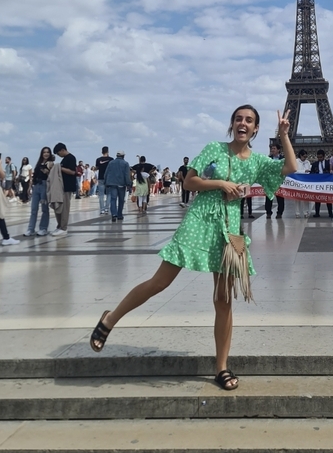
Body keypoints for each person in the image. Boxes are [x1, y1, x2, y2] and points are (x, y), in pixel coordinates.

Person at [89, 106, 297, 392]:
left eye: (249, 120)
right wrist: (221, 183)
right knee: (160, 282)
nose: (243, 123)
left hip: (228, 229)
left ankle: (221, 367)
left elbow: (291, 168)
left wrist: (284, 135)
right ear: (232, 125)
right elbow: (189, 181)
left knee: (223, 300)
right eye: (238, 119)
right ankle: (109, 319)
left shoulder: (258, 161)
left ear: (256, 129)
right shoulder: (214, 148)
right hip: (200, 220)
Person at [23, 147, 53, 237]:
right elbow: (34, 175)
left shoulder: (51, 163)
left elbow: (50, 175)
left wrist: (47, 170)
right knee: (34, 209)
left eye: (47, 152)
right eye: (44, 152)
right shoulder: (39, 163)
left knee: (44, 208)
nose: (46, 154)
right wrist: (30, 187)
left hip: (45, 186)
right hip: (36, 186)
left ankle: (43, 228)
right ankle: (31, 229)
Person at [51, 142, 77, 237]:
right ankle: (59, 225)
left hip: (67, 186)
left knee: (65, 208)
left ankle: (64, 227)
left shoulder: (71, 158)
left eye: (58, 153)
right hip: (61, 186)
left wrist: (59, 168)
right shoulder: (64, 159)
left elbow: (72, 172)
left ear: (62, 150)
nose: (58, 155)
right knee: (59, 207)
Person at [104, 151, 133, 222]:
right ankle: (119, 214)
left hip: (112, 183)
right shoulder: (125, 163)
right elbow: (126, 175)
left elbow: (106, 173)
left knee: (113, 199)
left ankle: (114, 214)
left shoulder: (111, 163)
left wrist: (106, 182)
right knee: (121, 200)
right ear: (123, 156)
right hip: (121, 184)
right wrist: (128, 183)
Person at [311, 149, 333, 219]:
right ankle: (317, 213)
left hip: (327, 183)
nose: (319, 159)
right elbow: (311, 173)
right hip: (318, 183)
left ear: (324, 156)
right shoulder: (314, 164)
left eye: (320, 157)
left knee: (328, 198)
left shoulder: (328, 163)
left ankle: (330, 213)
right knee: (317, 199)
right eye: (318, 157)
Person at [264, 143, 285, 218]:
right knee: (269, 198)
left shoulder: (283, 159)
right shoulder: (268, 158)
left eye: (274, 148)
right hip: (270, 182)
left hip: (280, 182)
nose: (272, 150)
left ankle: (279, 213)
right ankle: (268, 212)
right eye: (272, 148)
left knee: (280, 199)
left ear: (278, 150)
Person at [95, 147, 113, 216]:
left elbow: (97, 168)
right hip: (109, 178)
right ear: (108, 151)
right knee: (109, 194)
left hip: (101, 178)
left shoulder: (98, 159)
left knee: (101, 195)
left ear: (101, 151)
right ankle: (106, 208)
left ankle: (102, 209)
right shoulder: (111, 159)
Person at [295, 148, 311, 218]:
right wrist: (304, 171)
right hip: (298, 182)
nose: (305, 158)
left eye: (306, 156)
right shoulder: (296, 161)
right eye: (304, 156)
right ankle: (297, 213)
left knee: (306, 198)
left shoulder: (307, 162)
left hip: (305, 182)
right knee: (297, 199)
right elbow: (294, 171)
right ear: (300, 156)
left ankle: (306, 212)